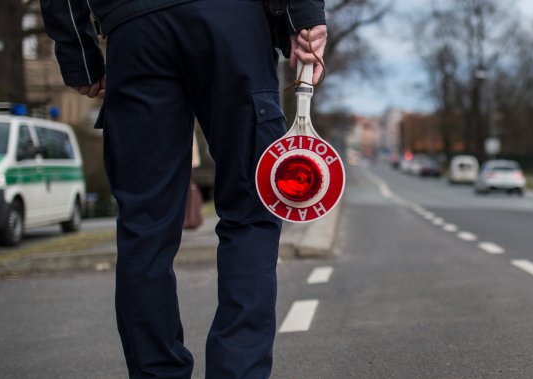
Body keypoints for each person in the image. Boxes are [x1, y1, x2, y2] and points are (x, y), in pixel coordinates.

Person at [40, 1, 327, 378]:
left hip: (136, 31)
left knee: (144, 227)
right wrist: (303, 17)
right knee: (253, 209)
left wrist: (79, 53)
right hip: (231, 24)